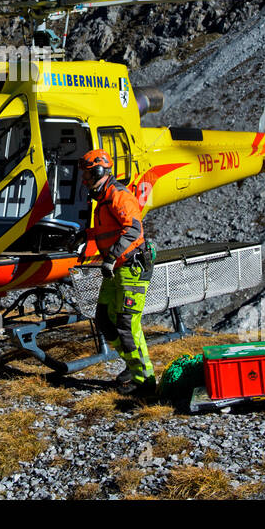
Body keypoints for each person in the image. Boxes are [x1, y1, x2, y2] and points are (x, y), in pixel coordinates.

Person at [80, 149, 156, 396]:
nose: (85, 180)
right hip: (116, 268)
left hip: (130, 267)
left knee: (126, 324)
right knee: (104, 319)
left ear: (100, 172)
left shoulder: (118, 196)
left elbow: (133, 230)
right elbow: (106, 233)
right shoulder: (103, 200)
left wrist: (111, 257)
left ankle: (144, 381)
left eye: (89, 175)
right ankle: (133, 365)